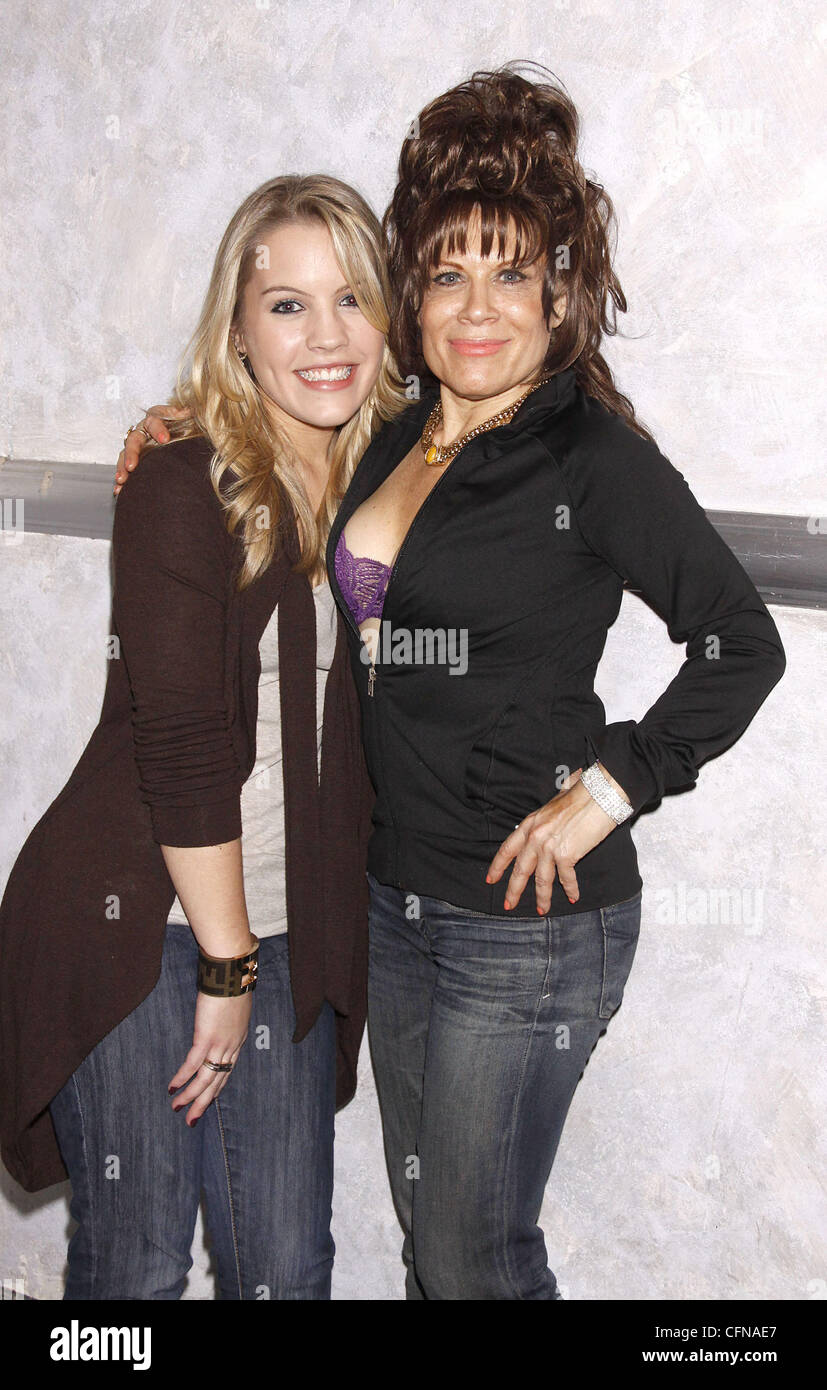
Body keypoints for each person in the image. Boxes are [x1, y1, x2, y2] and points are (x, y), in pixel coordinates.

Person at [117, 66, 787, 1301]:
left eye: (511, 273)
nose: (479, 310)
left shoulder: (587, 452)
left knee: (478, 1261)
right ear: (413, 294)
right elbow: (269, 432)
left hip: (526, 929)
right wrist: (175, 428)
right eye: (445, 274)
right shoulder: (392, 424)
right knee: (437, 1250)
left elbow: (742, 641)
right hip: (391, 907)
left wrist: (615, 783)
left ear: (556, 291)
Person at [0, 173, 405, 1299]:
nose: (324, 336)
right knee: (133, 1264)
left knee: (284, 1265)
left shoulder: (393, 478)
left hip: (295, 930)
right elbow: (179, 744)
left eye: (351, 300)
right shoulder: (185, 481)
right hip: (148, 922)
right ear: (237, 325)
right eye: (286, 305)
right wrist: (223, 962)